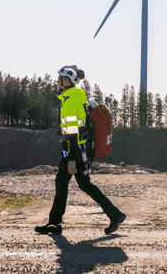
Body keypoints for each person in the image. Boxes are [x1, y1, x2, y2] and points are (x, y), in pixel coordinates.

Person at [35, 65, 126, 235]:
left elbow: (72, 134)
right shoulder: (78, 98)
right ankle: (55, 223)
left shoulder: (69, 103)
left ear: (66, 81)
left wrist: (71, 159)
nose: (57, 82)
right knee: (67, 183)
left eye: (60, 79)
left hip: (75, 152)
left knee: (80, 184)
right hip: (81, 149)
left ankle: (115, 214)